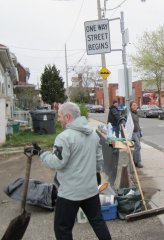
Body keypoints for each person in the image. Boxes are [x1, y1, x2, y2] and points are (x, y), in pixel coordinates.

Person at [38, 102, 111, 240]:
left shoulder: (64, 137)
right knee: (98, 222)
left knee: (62, 228)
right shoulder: (93, 135)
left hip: (69, 194)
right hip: (90, 190)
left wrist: (42, 154)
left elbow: (57, 163)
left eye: (59, 116)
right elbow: (99, 160)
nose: (58, 119)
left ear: (67, 117)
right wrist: (95, 174)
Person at [130, 101, 143, 168]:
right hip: (133, 133)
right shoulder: (129, 114)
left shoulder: (136, 113)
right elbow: (125, 120)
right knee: (138, 146)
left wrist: (140, 131)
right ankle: (138, 162)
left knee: (137, 147)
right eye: (133, 105)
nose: (135, 106)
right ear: (131, 106)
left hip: (137, 132)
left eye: (136, 105)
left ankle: (135, 160)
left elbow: (137, 123)